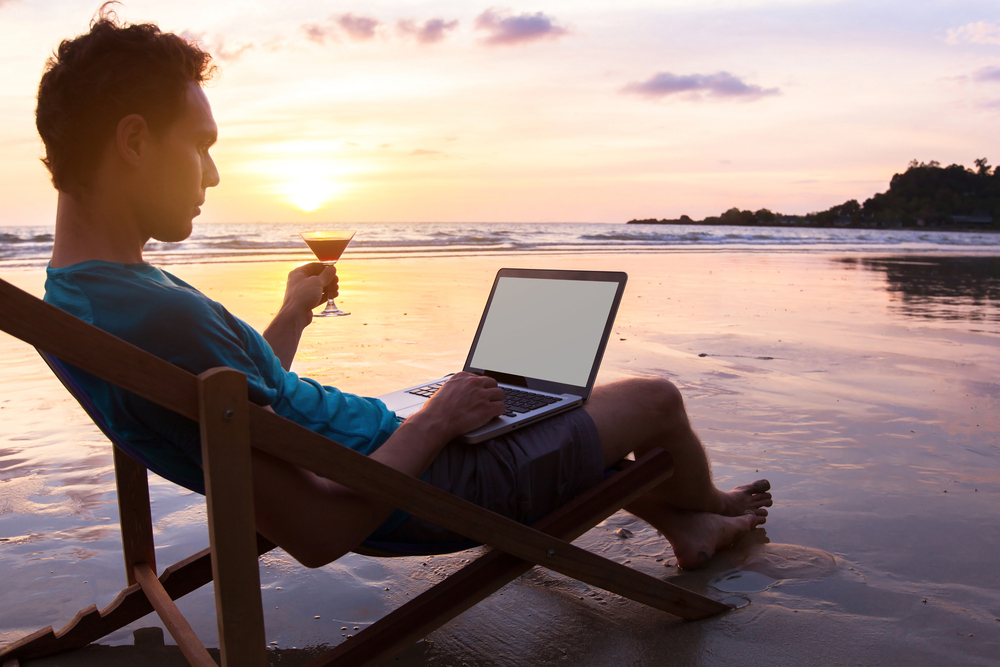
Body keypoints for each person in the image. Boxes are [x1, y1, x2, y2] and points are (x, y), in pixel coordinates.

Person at [37, 11, 771, 571]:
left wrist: (293, 312)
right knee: (654, 400)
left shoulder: (87, 299)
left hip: (389, 445)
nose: (214, 174)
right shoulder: (153, 314)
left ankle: (682, 524)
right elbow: (320, 530)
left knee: (544, 406)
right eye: (200, 145)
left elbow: (241, 406)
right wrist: (439, 421)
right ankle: (705, 507)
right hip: (428, 483)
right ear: (133, 142)